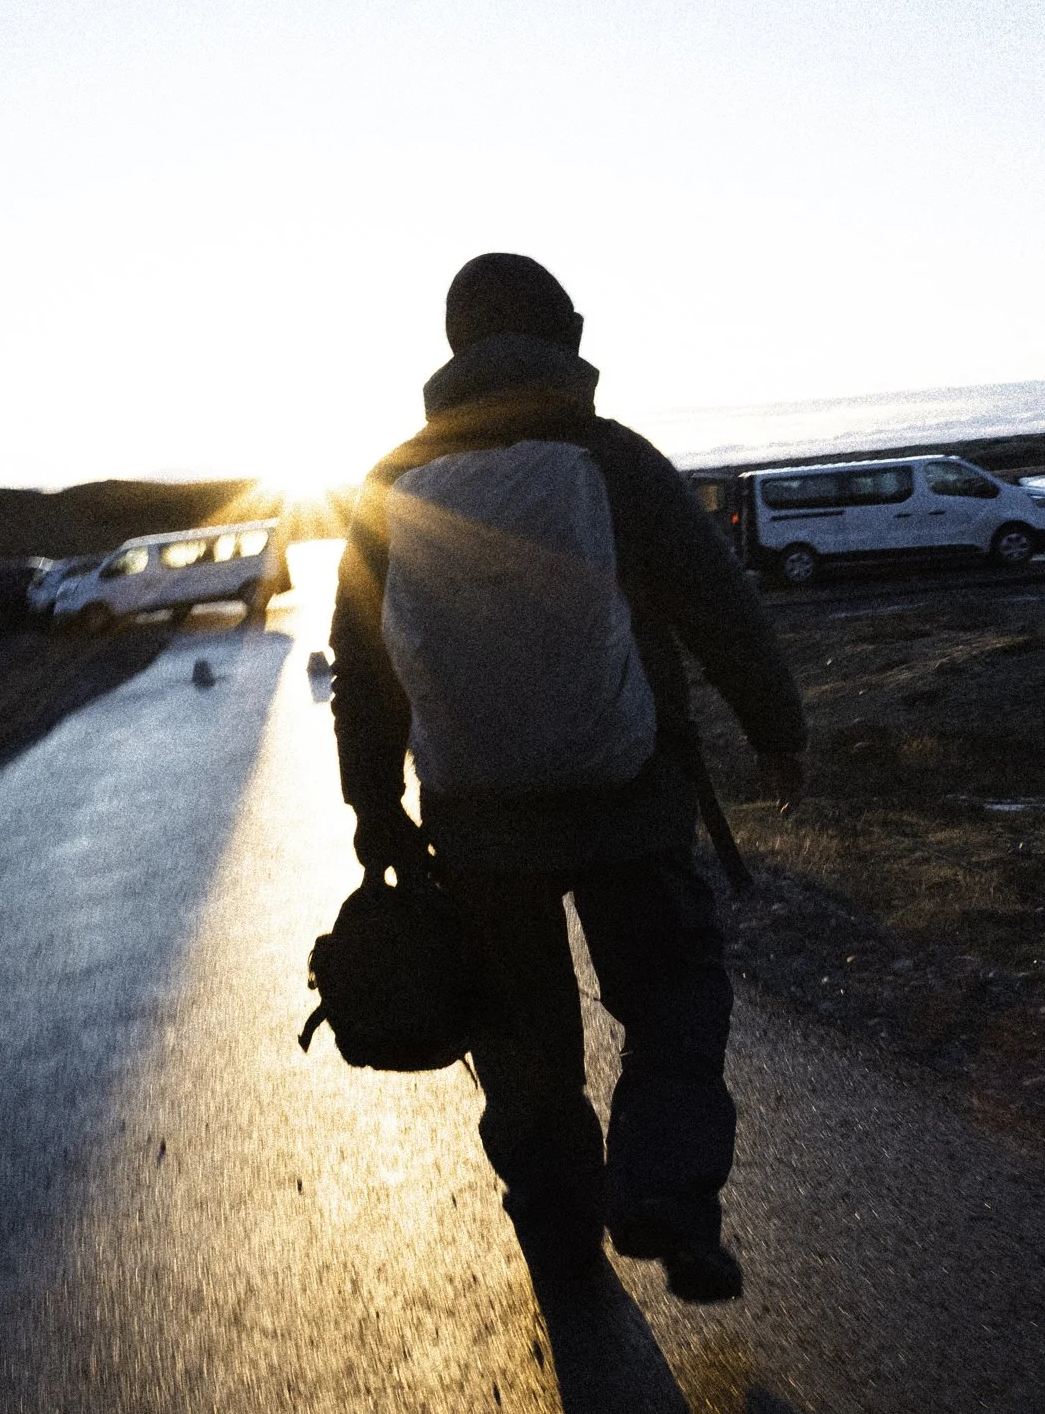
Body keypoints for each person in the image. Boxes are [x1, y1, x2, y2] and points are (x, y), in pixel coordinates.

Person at [329, 253, 806, 1301]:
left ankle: (557, 1231)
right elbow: (714, 598)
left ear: (455, 347)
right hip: (629, 798)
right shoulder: (610, 456)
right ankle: (667, 1198)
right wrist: (776, 726)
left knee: (520, 1036)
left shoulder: (388, 481)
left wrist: (376, 809)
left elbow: (364, 671)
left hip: (476, 819)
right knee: (674, 991)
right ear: (569, 335)